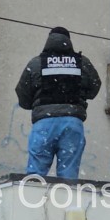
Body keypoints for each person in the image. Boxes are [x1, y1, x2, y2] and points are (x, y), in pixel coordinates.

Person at [15, 26, 102, 179]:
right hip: (72, 122)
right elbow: (95, 86)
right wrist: (79, 97)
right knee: (68, 175)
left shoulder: (36, 63)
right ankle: (66, 202)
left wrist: (37, 104)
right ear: (69, 41)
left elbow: (23, 95)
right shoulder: (81, 62)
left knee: (35, 176)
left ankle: (32, 201)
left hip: (44, 123)